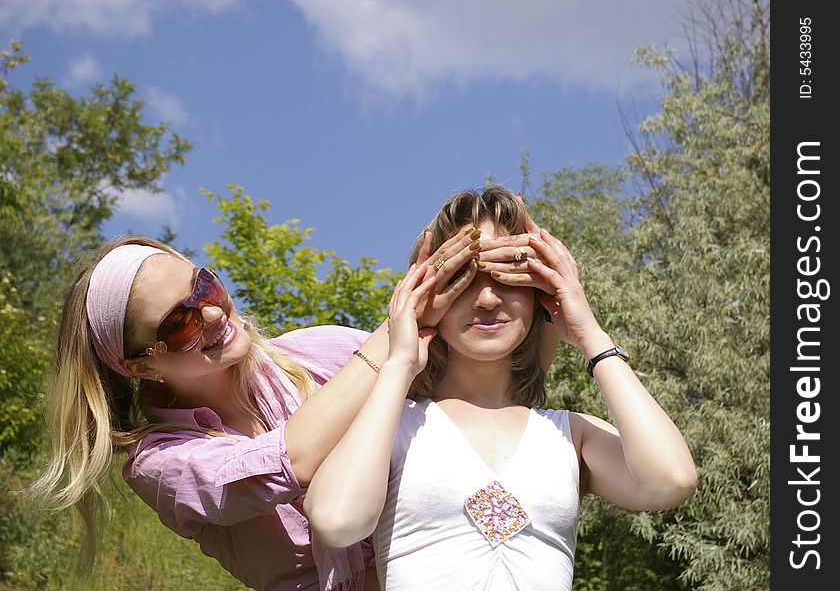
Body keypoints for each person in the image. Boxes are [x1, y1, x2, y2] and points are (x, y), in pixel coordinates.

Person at [28, 230, 501, 591]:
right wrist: (394, 331)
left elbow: (486, 394)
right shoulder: (159, 463)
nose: (212, 314)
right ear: (141, 366)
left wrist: (503, 267)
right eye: (178, 322)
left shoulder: (324, 351)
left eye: (204, 287)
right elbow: (291, 461)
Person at [304, 186, 698, 590]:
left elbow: (671, 480)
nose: (488, 299)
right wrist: (399, 362)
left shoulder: (570, 434)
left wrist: (589, 335)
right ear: (425, 293)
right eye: (462, 278)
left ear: (539, 293)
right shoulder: (394, 424)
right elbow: (337, 521)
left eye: (509, 275)